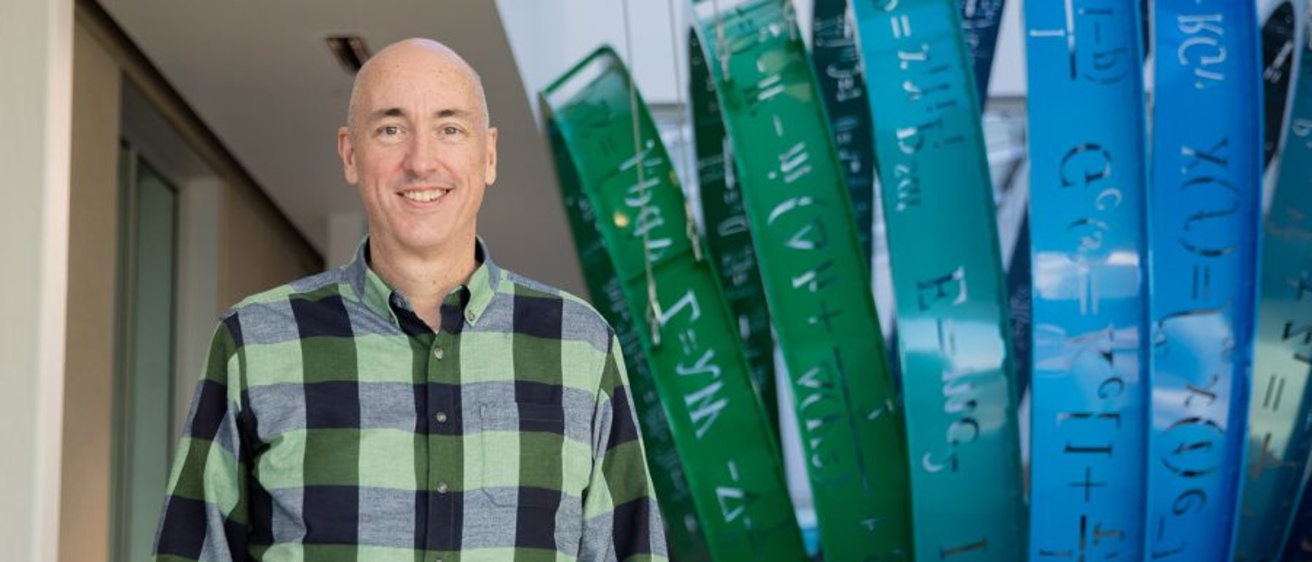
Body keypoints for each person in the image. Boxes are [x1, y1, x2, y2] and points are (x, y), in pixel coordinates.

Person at [153, 38, 667, 562]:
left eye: (449, 129)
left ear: (488, 154)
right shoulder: (255, 341)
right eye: (391, 129)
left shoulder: (579, 346)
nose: (421, 162)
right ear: (351, 155)